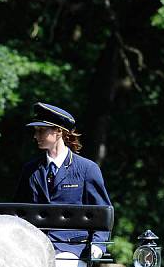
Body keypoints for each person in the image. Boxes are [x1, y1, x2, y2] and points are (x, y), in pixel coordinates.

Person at [15, 102, 112, 259]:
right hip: (34, 248)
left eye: (41, 131)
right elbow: (18, 211)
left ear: (58, 131)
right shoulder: (30, 170)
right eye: (35, 131)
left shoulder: (87, 169)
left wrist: (97, 246)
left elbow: (102, 213)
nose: (35, 136)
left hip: (72, 249)